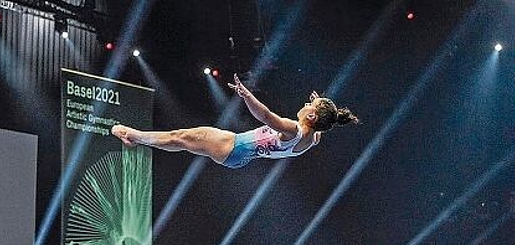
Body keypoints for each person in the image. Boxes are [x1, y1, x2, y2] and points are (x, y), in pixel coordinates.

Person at [111, 73, 358, 169]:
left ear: (312, 117)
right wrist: (318, 107)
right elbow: (322, 125)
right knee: (184, 140)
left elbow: (265, 116)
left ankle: (133, 136)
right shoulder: (311, 138)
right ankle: (137, 139)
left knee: (181, 136)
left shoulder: (293, 130)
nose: (304, 105)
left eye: (309, 106)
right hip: (238, 155)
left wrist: (246, 95)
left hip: (233, 146)